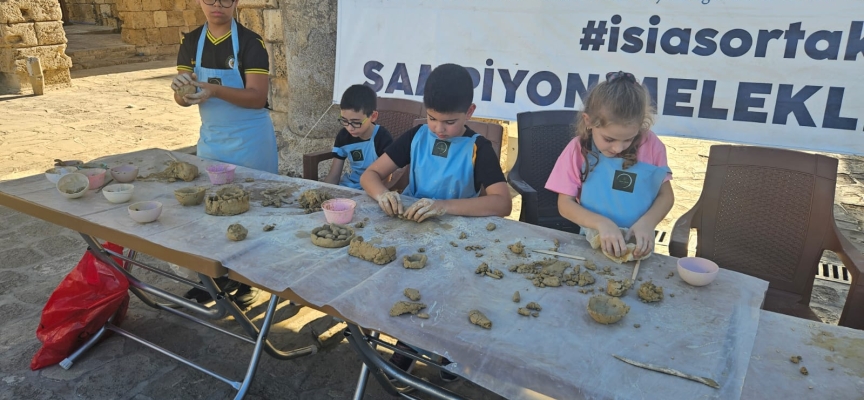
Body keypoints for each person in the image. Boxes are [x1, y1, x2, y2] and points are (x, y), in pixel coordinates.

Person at [360, 63, 512, 384]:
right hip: (411, 231)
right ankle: (407, 340)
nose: (439, 129)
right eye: (431, 118)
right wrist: (383, 195)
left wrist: (444, 206)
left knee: (452, 293)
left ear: (469, 112)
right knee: (407, 287)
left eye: (449, 122)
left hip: (458, 236)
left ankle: (448, 346)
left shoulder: (477, 148)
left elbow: (502, 202)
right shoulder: (416, 136)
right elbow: (370, 175)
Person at [170, 0, 276, 309]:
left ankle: (248, 282)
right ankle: (214, 280)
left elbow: (257, 97)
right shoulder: (190, 42)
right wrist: (180, 91)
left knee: (251, 211)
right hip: (213, 140)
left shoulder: (251, 43)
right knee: (213, 211)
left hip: (250, 141)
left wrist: (214, 90)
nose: (218, 5)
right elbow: (184, 96)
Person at [545, 71, 674, 260]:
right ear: (588, 122)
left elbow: (666, 196)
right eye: (609, 139)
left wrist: (648, 222)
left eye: (628, 139)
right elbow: (565, 204)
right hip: (593, 244)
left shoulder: (653, 146)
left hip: (638, 246)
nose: (618, 148)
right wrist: (601, 223)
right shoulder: (577, 150)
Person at [323, 85, 393, 189]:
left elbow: (387, 179)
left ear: (373, 116)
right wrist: (323, 193)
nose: (349, 128)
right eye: (344, 121)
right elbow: (334, 175)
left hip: (375, 189)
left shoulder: (382, 138)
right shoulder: (343, 137)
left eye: (356, 122)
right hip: (350, 186)